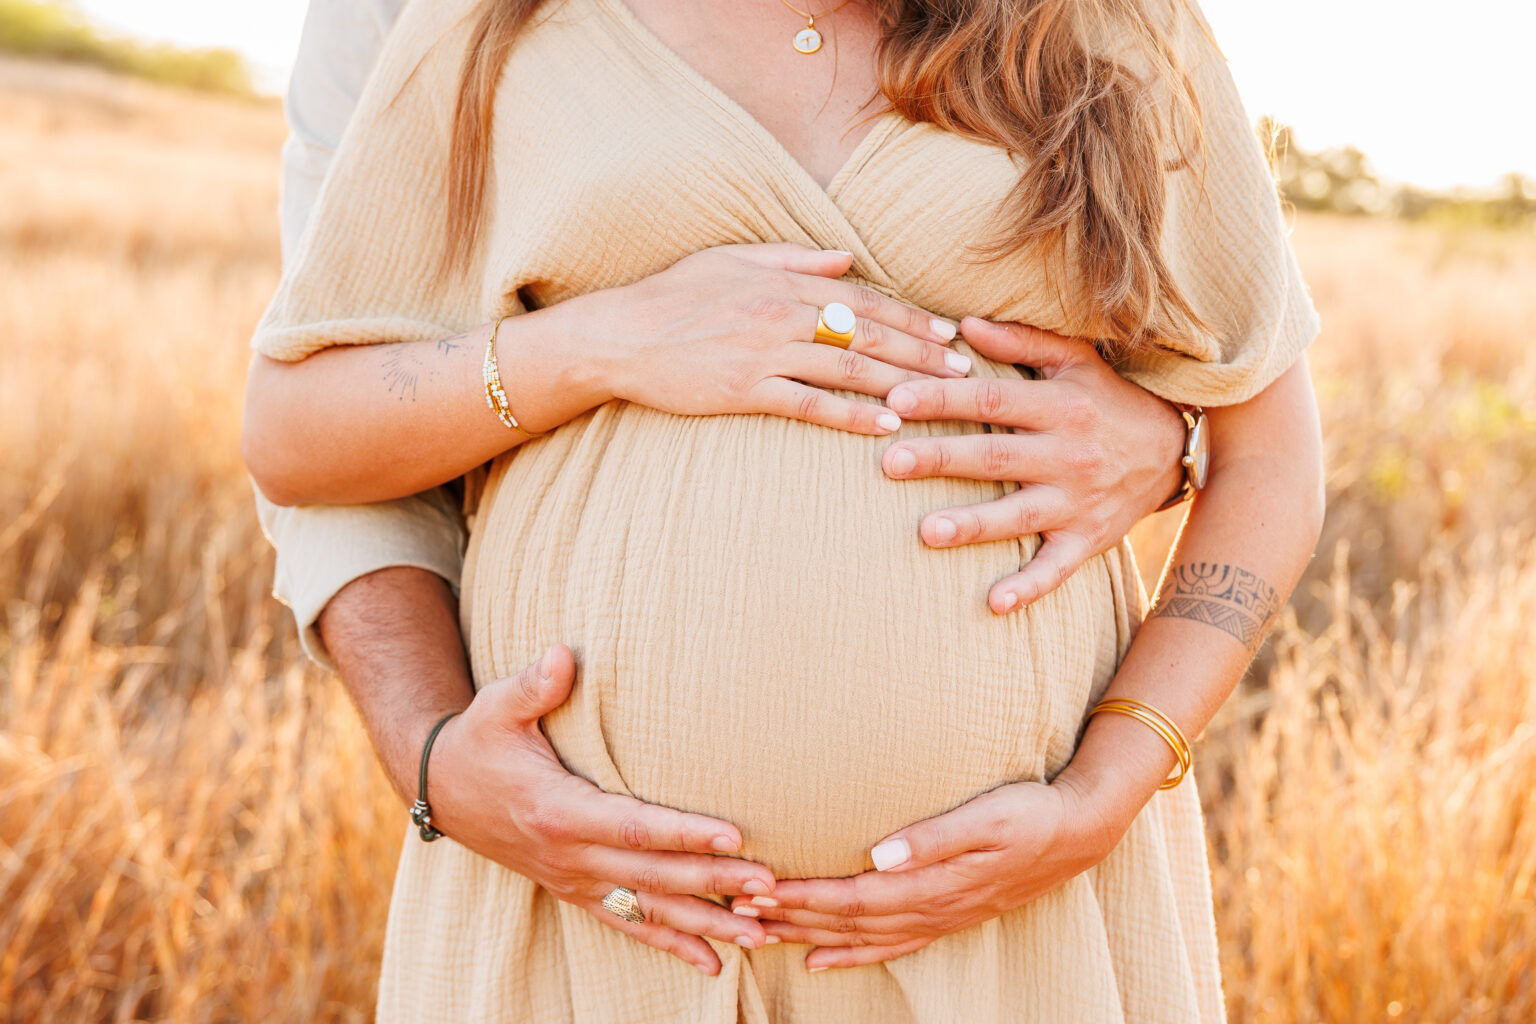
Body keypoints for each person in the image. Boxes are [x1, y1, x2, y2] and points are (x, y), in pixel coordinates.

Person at [245, 0, 1323, 1020]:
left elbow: (1266, 457)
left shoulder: (1103, 26)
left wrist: (1104, 788)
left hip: (1013, 916)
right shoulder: (490, 27)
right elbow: (297, 432)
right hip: (601, 924)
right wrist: (599, 343)